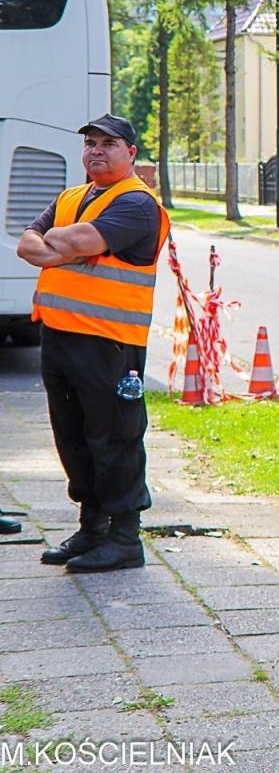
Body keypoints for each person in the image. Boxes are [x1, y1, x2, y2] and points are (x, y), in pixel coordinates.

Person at [17, 114, 169, 572]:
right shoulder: (71, 196)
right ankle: (92, 529)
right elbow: (27, 244)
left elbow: (70, 237)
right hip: (60, 337)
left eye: (108, 143)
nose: (96, 150)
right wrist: (69, 246)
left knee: (114, 437)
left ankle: (124, 538)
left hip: (109, 344)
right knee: (73, 436)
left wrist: (61, 243)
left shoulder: (138, 204)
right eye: (90, 143)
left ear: (131, 154)